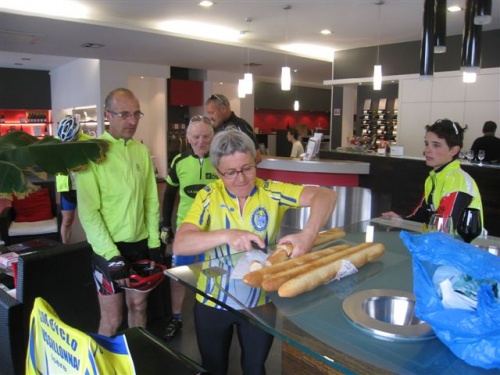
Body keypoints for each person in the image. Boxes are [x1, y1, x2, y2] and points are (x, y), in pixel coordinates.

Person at [173, 129, 337, 375]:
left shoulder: (271, 190)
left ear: (255, 162)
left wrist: (308, 234)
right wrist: (227, 234)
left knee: (255, 368)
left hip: (260, 301)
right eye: (230, 172)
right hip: (211, 301)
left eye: (247, 168)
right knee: (213, 367)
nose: (240, 178)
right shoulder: (209, 195)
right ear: (218, 172)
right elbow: (181, 244)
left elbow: (326, 195)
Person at [74, 88, 162, 336]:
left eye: (136, 114)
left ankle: (136, 359)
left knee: (139, 306)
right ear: (107, 115)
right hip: (108, 249)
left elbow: (150, 200)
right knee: (112, 318)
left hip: (140, 243)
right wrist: (112, 255)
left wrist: (154, 242)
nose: (132, 121)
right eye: (124, 114)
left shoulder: (141, 151)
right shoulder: (91, 154)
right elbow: (89, 213)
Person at [160, 115, 218, 340]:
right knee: (179, 277)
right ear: (188, 138)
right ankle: (176, 317)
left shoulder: (221, 161)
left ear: (213, 138)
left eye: (206, 136)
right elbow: (169, 196)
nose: (201, 141)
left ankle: (211, 314)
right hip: (187, 231)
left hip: (214, 231)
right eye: (196, 136)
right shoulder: (179, 162)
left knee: (212, 275)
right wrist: (166, 225)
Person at [382, 118, 483, 227]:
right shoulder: (433, 178)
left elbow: (444, 228)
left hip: (460, 244)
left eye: (436, 145)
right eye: (426, 144)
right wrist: (400, 220)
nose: (427, 150)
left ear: (453, 150)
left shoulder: (458, 182)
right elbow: (421, 216)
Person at [55, 116, 93, 244]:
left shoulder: (89, 141)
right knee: (67, 220)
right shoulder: (55, 142)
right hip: (66, 187)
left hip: (85, 188)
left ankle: (92, 247)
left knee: (89, 221)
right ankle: (65, 248)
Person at [205, 93, 262, 164]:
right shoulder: (213, 128)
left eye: (212, 113)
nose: (210, 117)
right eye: (208, 113)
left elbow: (257, 156)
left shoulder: (241, 126)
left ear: (223, 109)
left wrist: (236, 170)